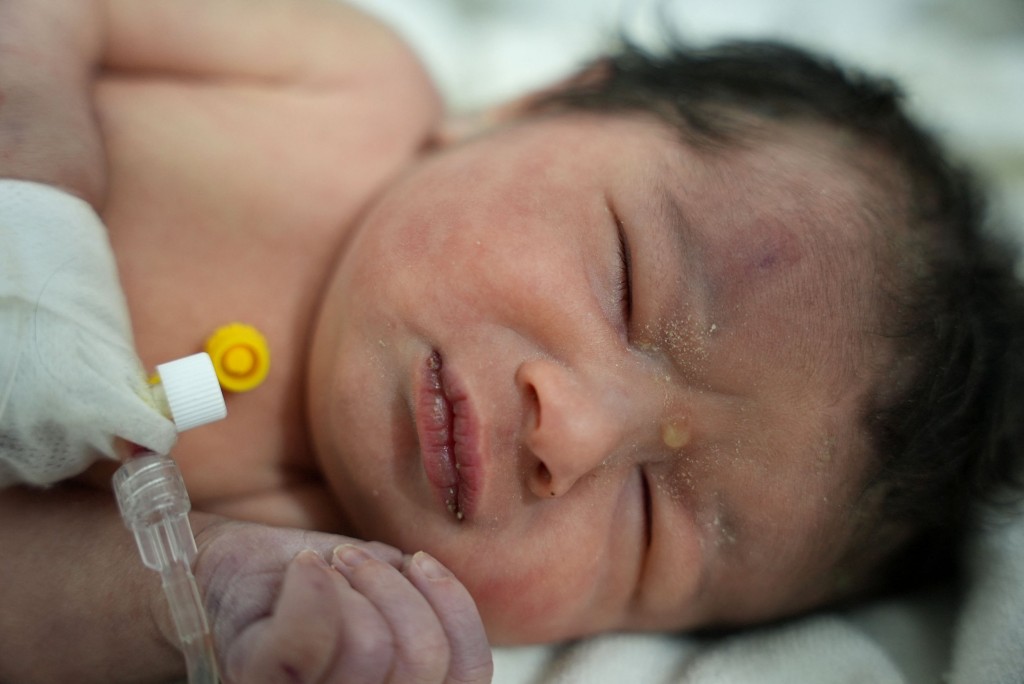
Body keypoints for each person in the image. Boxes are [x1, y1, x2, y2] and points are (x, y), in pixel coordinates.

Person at [1, 0, 1022, 682]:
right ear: (542, 105)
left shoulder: (318, 571)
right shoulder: (337, 88)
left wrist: (197, 599)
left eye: (650, 526)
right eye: (627, 285)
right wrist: (36, 139)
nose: (569, 433)